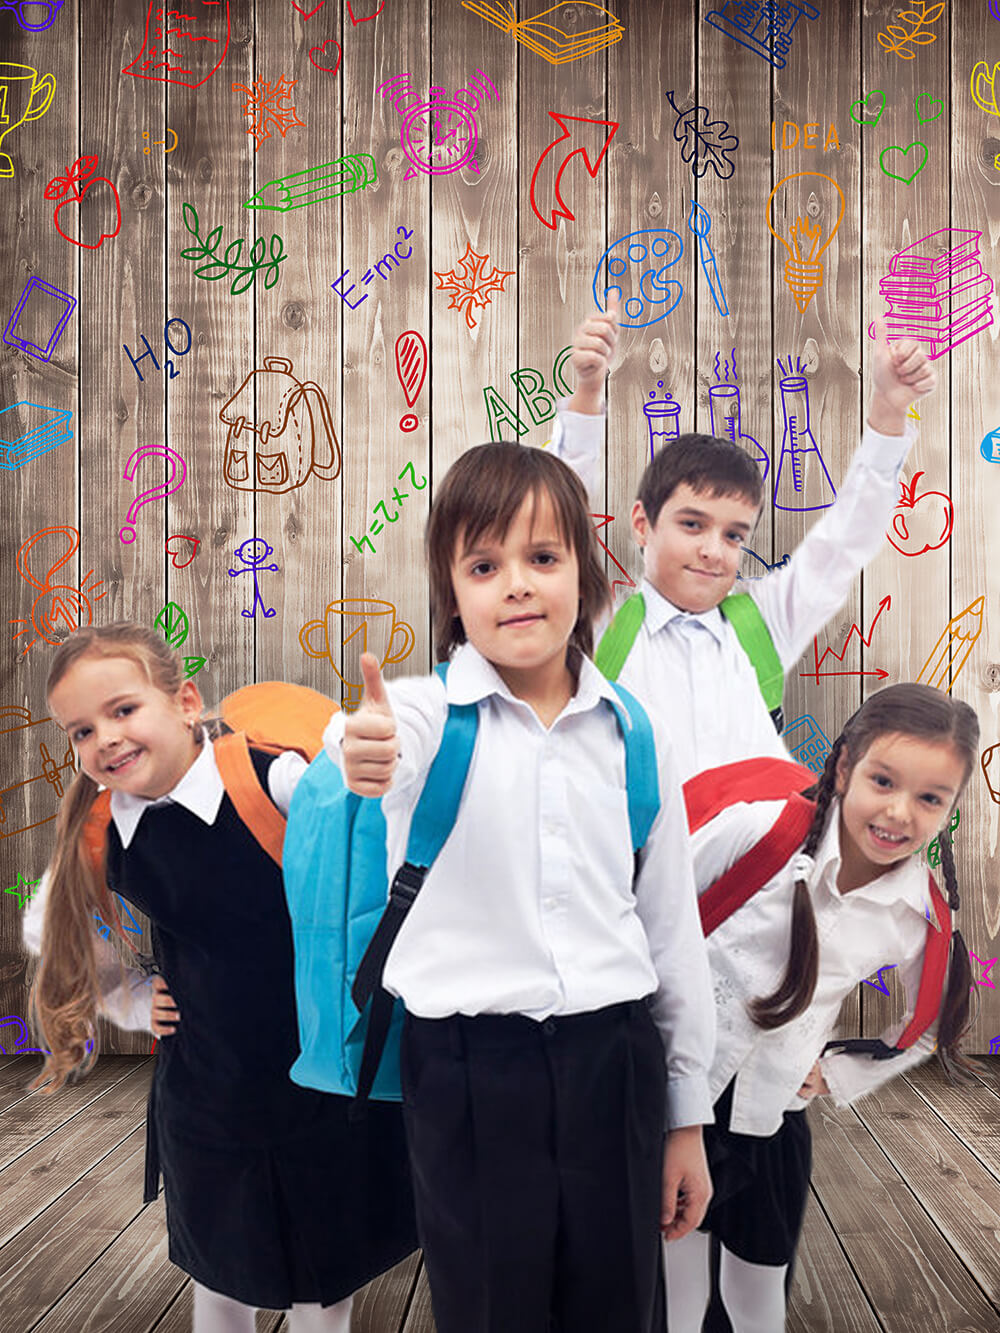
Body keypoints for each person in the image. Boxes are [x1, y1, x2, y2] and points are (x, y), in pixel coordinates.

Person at [331, 441, 715, 1333]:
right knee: (489, 1306)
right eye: (484, 563)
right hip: (468, 1072)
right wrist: (361, 747)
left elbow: (670, 935)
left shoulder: (632, 734)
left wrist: (686, 1118)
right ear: (452, 592)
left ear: (587, 574)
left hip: (615, 1065)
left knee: (621, 1302)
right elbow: (368, 743)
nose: (517, 584)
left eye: (543, 558)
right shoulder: (425, 717)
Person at [23, 623, 417, 1333]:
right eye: (81, 730)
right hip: (206, 1091)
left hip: (316, 1079)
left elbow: (365, 822)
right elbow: (51, 931)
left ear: (184, 701)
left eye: (122, 710)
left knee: (323, 1277)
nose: (103, 739)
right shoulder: (104, 827)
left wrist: (366, 757)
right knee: (218, 1267)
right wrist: (136, 1000)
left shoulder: (271, 777)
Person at [665, 682, 979, 1333]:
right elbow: (652, 921)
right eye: (883, 780)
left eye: (929, 797)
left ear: (950, 807)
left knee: (759, 1287)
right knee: (677, 1282)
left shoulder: (919, 913)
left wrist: (835, 1072)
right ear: (843, 768)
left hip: (770, 1119)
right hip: (677, 1104)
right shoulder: (757, 831)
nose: (899, 812)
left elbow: (926, 1027)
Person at [551, 303, 937, 778]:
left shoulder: (768, 619)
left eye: (733, 534)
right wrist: (588, 392)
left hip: (754, 850)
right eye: (692, 525)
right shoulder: (601, 626)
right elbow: (552, 527)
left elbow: (844, 542)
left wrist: (888, 410)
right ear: (642, 524)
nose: (713, 550)